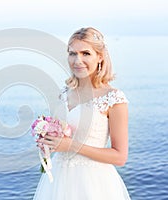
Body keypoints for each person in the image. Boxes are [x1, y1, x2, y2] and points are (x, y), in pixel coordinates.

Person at [33, 27, 131, 199]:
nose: (77, 60)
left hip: (93, 183)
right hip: (58, 178)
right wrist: (48, 142)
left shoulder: (114, 99)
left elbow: (120, 156)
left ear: (100, 56)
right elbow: (63, 137)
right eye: (72, 53)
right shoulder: (64, 93)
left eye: (86, 53)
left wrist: (71, 146)